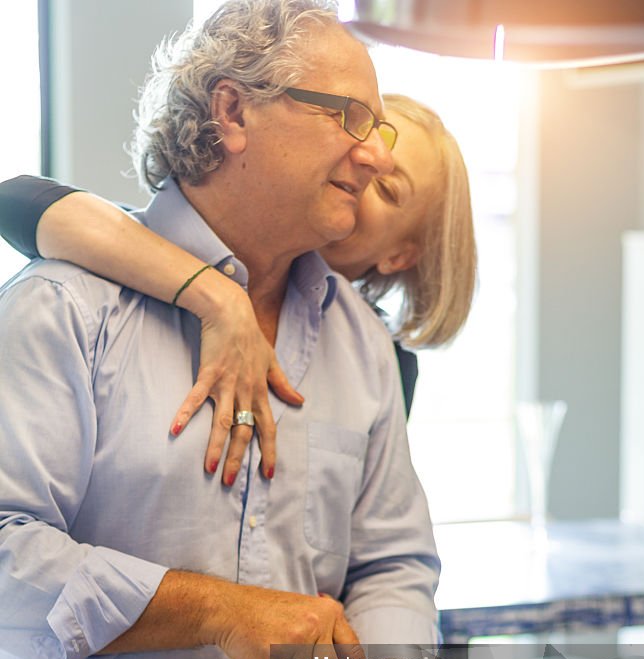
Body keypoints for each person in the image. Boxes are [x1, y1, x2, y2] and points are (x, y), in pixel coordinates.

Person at [0, 0, 509, 659]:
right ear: (233, 112)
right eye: (350, 117)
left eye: (380, 128)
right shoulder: (62, 310)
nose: (375, 149)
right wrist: (214, 610)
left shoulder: (363, 346)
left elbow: (391, 560)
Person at [0, 93, 476, 480]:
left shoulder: (379, 361)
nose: (362, 167)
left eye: (388, 188)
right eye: (356, 135)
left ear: (399, 257)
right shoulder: (103, 286)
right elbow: (15, 198)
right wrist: (217, 295)